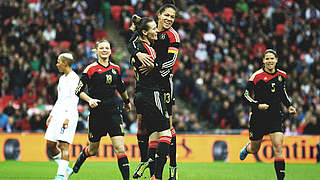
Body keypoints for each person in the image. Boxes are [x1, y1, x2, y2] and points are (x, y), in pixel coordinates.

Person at [127, 1, 180, 179]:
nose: (169, 19)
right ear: (159, 15)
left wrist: (154, 67)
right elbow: (131, 44)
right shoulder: (147, 29)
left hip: (163, 85)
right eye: (166, 15)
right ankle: (147, 163)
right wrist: (137, 54)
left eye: (172, 17)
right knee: (145, 126)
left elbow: (171, 63)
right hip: (147, 86)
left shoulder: (173, 36)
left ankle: (172, 167)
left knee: (167, 128)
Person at [69, 40, 131, 180]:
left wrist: (127, 101)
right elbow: (78, 91)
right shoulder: (90, 69)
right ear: (96, 51)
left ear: (110, 51)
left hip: (114, 112)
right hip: (97, 114)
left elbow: (121, 88)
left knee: (120, 148)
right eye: (101, 48)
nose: (104, 50)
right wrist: (89, 100)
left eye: (107, 48)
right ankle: (80, 159)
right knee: (92, 150)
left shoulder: (116, 69)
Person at [239, 49, 296, 180]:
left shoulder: (282, 75)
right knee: (255, 149)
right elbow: (245, 95)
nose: (270, 61)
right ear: (263, 61)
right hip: (259, 116)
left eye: (272, 58)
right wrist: (257, 105)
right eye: (267, 59)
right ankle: (247, 149)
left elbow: (283, 93)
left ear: (276, 60)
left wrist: (289, 106)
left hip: (275, 115)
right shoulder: (256, 76)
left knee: (278, 146)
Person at [44, 53, 79, 180]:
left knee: (64, 145)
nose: (57, 64)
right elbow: (60, 99)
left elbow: (74, 100)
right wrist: (52, 114)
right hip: (58, 114)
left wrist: (68, 117)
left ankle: (60, 175)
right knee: (50, 145)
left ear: (65, 63)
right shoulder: (62, 78)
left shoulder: (74, 79)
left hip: (68, 115)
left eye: (59, 61)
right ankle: (66, 169)